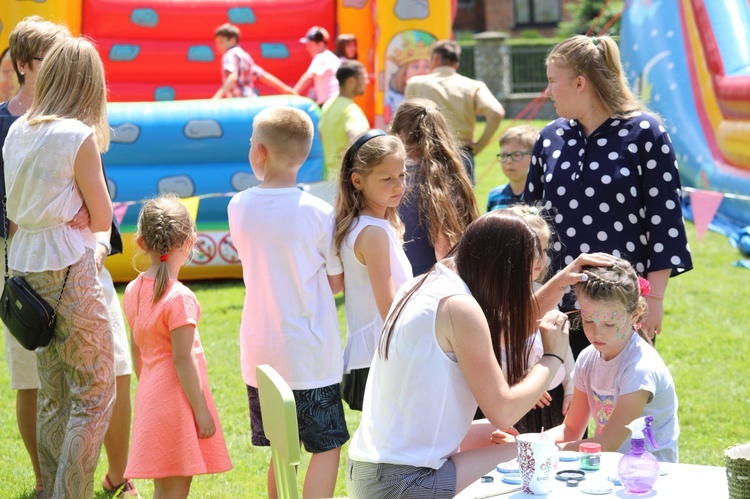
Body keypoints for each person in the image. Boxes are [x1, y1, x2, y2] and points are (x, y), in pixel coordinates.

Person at [346, 211, 616, 497]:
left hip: (368, 471)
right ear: (500, 270)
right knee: (541, 456)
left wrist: (560, 282)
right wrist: (553, 357)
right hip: (404, 482)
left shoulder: (421, 285)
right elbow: (503, 411)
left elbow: (503, 329)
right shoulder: (459, 308)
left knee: (515, 439)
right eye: (517, 282)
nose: (514, 295)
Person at [1, 18, 139, 498]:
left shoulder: (18, 128)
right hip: (71, 269)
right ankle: (71, 492)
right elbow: (101, 216)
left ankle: (53, 487)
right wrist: (96, 240)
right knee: (96, 393)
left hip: (24, 269)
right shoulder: (77, 134)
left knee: (54, 395)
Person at [524, 34, 693, 358]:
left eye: (551, 81)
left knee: (619, 404)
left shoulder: (645, 133)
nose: (547, 92)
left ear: (579, 83)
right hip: (555, 309)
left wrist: (653, 301)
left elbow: (666, 224)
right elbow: (529, 223)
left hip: (621, 306)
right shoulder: (548, 138)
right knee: (560, 405)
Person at [227, 106, 349, 498]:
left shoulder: (237, 206)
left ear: (259, 152)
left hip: (261, 350)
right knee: (326, 446)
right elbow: (335, 282)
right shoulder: (320, 212)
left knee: (282, 450)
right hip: (310, 353)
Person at [123, 195, 232, 497]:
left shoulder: (133, 290)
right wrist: (201, 411)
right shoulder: (180, 298)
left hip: (151, 396)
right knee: (176, 488)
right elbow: (184, 360)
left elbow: (136, 349)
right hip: (176, 403)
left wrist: (146, 384)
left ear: (142, 242)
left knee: (164, 486)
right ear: (190, 241)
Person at [542, 259, 679, 462]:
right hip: (609, 468)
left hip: (649, 476)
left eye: (609, 323)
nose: (597, 333)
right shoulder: (588, 357)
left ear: (635, 315)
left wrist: (541, 451)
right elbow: (571, 429)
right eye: (588, 320)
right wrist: (531, 443)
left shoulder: (640, 369)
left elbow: (607, 445)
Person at [334, 130, 413, 411]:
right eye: (387, 178)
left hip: (372, 352)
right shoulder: (373, 233)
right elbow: (388, 305)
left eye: (402, 175)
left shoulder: (363, 225)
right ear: (357, 180)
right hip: (385, 352)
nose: (399, 185)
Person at [502, 204, 575, 434]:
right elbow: (494, 352)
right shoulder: (496, 300)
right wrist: (523, 387)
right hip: (515, 401)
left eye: (543, 249)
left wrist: (571, 384)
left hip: (551, 398)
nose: (539, 259)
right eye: (529, 250)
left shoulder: (544, 292)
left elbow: (562, 343)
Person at [389, 98, 479, 275]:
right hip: (444, 271)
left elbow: (442, 242)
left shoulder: (397, 178)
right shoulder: (451, 171)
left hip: (410, 275)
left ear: (400, 134)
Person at [404, 40, 506, 182]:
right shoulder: (473, 85)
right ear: (456, 63)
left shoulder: (415, 84)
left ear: (435, 58)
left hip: (424, 153)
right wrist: (479, 145)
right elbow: (496, 112)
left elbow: (406, 121)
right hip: (460, 153)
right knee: (462, 203)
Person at [212, 23, 293, 99]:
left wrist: (217, 97)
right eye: (217, 43)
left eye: (221, 42)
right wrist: (284, 88)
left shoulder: (229, 55)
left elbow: (232, 77)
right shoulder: (245, 56)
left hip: (238, 101)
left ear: (233, 40)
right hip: (250, 97)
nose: (218, 46)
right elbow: (263, 75)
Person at [319, 60, 370, 179]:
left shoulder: (328, 105)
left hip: (329, 179)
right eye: (363, 78)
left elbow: (321, 135)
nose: (367, 82)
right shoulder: (351, 111)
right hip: (346, 181)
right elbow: (358, 141)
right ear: (351, 81)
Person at [487, 125, 539, 212]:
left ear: (534, 157)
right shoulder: (495, 196)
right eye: (504, 155)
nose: (508, 161)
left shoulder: (541, 196)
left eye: (516, 155)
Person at [293, 26, 340, 105]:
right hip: (337, 100)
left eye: (310, 46)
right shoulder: (332, 57)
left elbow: (309, 76)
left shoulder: (321, 57)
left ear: (321, 44)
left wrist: (295, 91)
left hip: (329, 102)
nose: (308, 49)